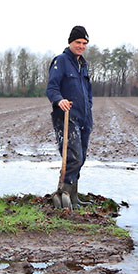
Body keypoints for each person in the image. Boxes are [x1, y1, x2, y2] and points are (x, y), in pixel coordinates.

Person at [46, 25, 94, 208]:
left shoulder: (83, 64)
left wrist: (88, 106)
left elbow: (87, 91)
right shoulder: (61, 61)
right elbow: (52, 88)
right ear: (70, 42)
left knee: (81, 157)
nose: (81, 46)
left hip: (84, 117)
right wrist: (60, 100)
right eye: (78, 42)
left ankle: (74, 196)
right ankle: (63, 192)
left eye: (84, 43)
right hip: (66, 116)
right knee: (72, 156)